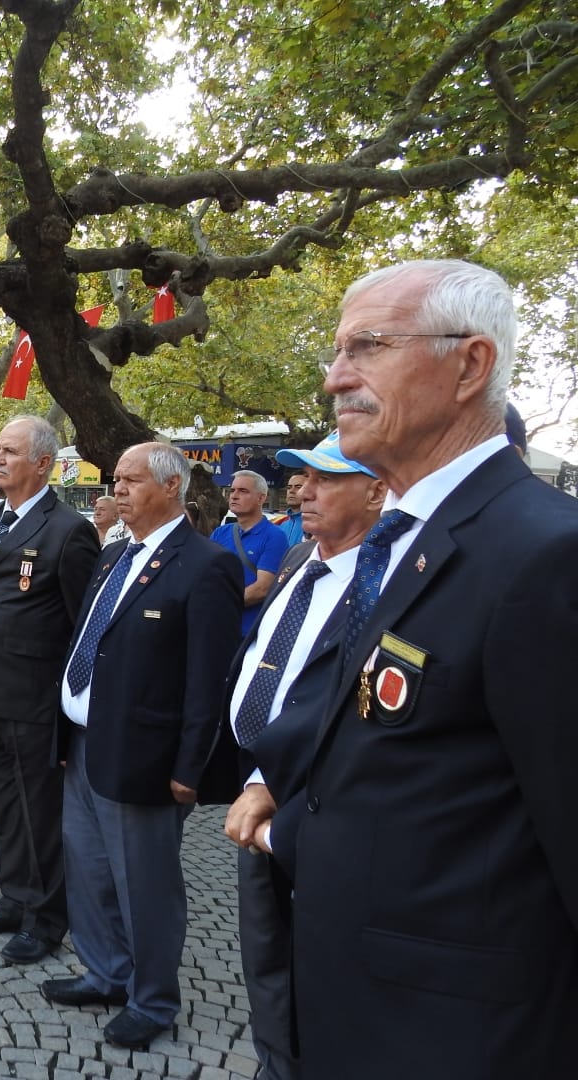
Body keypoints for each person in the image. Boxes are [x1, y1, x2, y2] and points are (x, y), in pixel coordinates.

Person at [272, 260, 578, 1078]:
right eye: (337, 352)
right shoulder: (400, 534)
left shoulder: (548, 553)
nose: (337, 377)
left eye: (368, 346)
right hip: (355, 1003)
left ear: (471, 365)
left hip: (454, 1036)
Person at [48, 443, 242, 1049]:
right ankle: (106, 972)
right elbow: (89, 642)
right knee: (86, 869)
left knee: (144, 886)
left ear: (171, 486)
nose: (118, 490)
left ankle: (153, 1000)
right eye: (116, 480)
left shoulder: (207, 565)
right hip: (83, 741)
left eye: (130, 481)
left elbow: (209, 679)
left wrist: (190, 767)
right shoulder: (114, 557)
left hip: (145, 757)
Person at [206, 430, 384, 1080]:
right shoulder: (302, 558)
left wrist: (281, 779)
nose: (303, 491)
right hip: (255, 798)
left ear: (377, 489)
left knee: (328, 964)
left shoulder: (385, 582)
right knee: (265, 956)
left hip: (320, 806)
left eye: (326, 478)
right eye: (301, 477)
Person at [0, 416, 102, 965]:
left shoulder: (67, 530)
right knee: (5, 806)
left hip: (32, 698)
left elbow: (81, 624)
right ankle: (14, 897)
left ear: (42, 463)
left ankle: (46, 919)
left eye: (10, 451)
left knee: (38, 814)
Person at [210, 470, 287, 634]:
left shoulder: (274, 536)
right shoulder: (220, 533)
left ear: (261, 498)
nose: (234, 496)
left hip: (248, 632)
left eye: (243, 491)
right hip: (215, 627)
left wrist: (220, 604)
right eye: (232, 490)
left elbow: (262, 588)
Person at [275, 472, 306, 546]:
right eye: (289, 487)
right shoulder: (278, 523)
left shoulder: (317, 528)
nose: (291, 491)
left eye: (298, 487)